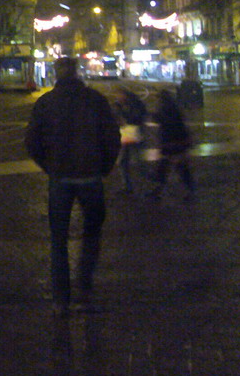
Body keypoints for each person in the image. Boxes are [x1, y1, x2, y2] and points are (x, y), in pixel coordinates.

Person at [25, 57, 120, 317]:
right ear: (77, 72)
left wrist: (48, 166)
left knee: (58, 239)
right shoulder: (95, 100)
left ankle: (60, 299)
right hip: (91, 177)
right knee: (91, 235)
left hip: (60, 178)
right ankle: (85, 289)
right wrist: (104, 167)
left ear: (56, 74)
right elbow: (113, 136)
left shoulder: (46, 103)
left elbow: (31, 140)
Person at [147, 88, 195, 201]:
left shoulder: (166, 110)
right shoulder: (172, 109)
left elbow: (168, 125)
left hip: (173, 144)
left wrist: (156, 117)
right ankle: (159, 191)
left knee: (173, 168)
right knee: (173, 168)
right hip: (176, 144)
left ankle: (159, 191)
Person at [114, 87, 148, 194]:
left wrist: (125, 119)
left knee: (137, 161)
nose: (118, 98)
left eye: (120, 95)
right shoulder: (120, 105)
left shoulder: (134, 104)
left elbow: (138, 117)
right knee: (124, 161)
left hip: (134, 135)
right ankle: (128, 186)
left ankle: (149, 181)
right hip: (127, 135)